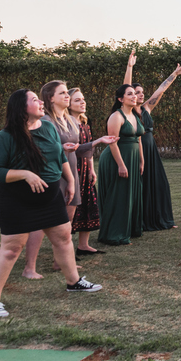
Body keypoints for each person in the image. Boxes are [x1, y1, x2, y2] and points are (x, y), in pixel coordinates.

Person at [0, 89, 101, 319]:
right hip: (17, 199)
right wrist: (25, 174)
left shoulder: (48, 127)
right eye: (34, 99)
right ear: (21, 107)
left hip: (50, 197)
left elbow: (59, 157)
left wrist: (70, 181)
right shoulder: (6, 136)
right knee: (11, 249)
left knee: (63, 238)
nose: (40, 102)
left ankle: (73, 282)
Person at [33, 82, 117, 269]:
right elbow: (39, 150)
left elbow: (77, 149)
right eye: (62, 93)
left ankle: (60, 262)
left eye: (66, 93)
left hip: (72, 174)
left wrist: (99, 141)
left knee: (68, 221)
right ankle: (30, 265)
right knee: (48, 221)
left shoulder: (70, 120)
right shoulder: (46, 121)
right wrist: (60, 148)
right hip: (55, 174)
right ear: (51, 98)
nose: (66, 96)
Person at [123, 50, 181, 231]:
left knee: (160, 185)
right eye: (136, 92)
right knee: (141, 186)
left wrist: (174, 74)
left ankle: (161, 220)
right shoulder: (128, 112)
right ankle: (140, 221)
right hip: (138, 151)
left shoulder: (147, 109)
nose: (141, 94)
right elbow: (125, 86)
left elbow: (161, 89)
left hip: (151, 150)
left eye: (142, 92)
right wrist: (129, 67)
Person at [96, 84, 144, 246]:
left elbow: (139, 139)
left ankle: (130, 228)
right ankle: (114, 233)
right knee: (119, 195)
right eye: (129, 94)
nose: (134, 96)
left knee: (131, 193)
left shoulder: (135, 115)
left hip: (133, 158)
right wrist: (121, 165)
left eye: (134, 93)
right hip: (116, 159)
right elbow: (112, 143)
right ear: (120, 99)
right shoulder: (116, 116)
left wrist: (141, 160)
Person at [67, 88, 104, 255]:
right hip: (71, 168)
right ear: (68, 104)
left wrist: (92, 170)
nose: (82, 102)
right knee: (70, 209)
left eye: (83, 99)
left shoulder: (85, 125)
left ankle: (83, 245)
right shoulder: (65, 125)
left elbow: (89, 150)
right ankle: (65, 250)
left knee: (88, 203)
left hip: (85, 169)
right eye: (77, 100)